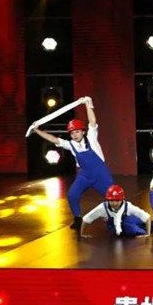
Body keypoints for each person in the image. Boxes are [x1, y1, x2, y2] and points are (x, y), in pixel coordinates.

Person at [30, 97, 114, 230]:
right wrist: (36, 130)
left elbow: (92, 121)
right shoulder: (70, 144)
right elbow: (54, 139)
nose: (75, 135)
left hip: (100, 175)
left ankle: (119, 218)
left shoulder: (91, 137)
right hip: (84, 176)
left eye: (77, 132)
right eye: (72, 133)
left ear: (83, 132)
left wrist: (87, 104)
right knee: (72, 195)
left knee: (114, 197)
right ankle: (77, 219)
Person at [79, 184, 151, 238]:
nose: (115, 203)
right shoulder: (102, 208)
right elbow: (86, 218)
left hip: (130, 219)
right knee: (131, 230)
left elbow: (146, 217)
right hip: (114, 226)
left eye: (117, 200)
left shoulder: (128, 206)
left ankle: (147, 227)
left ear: (122, 199)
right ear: (108, 200)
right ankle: (141, 228)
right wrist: (82, 234)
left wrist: (148, 234)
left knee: (151, 224)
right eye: (112, 201)